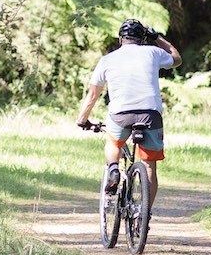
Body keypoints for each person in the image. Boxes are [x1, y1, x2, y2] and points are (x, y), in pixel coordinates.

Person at [76, 19, 182, 206]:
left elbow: (93, 94)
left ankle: (114, 168)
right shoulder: (153, 52)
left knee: (113, 142)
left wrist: (82, 119)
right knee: (149, 165)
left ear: (120, 40)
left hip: (120, 115)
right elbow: (176, 58)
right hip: (150, 114)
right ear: (142, 39)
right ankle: (144, 213)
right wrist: (157, 38)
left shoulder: (107, 59)